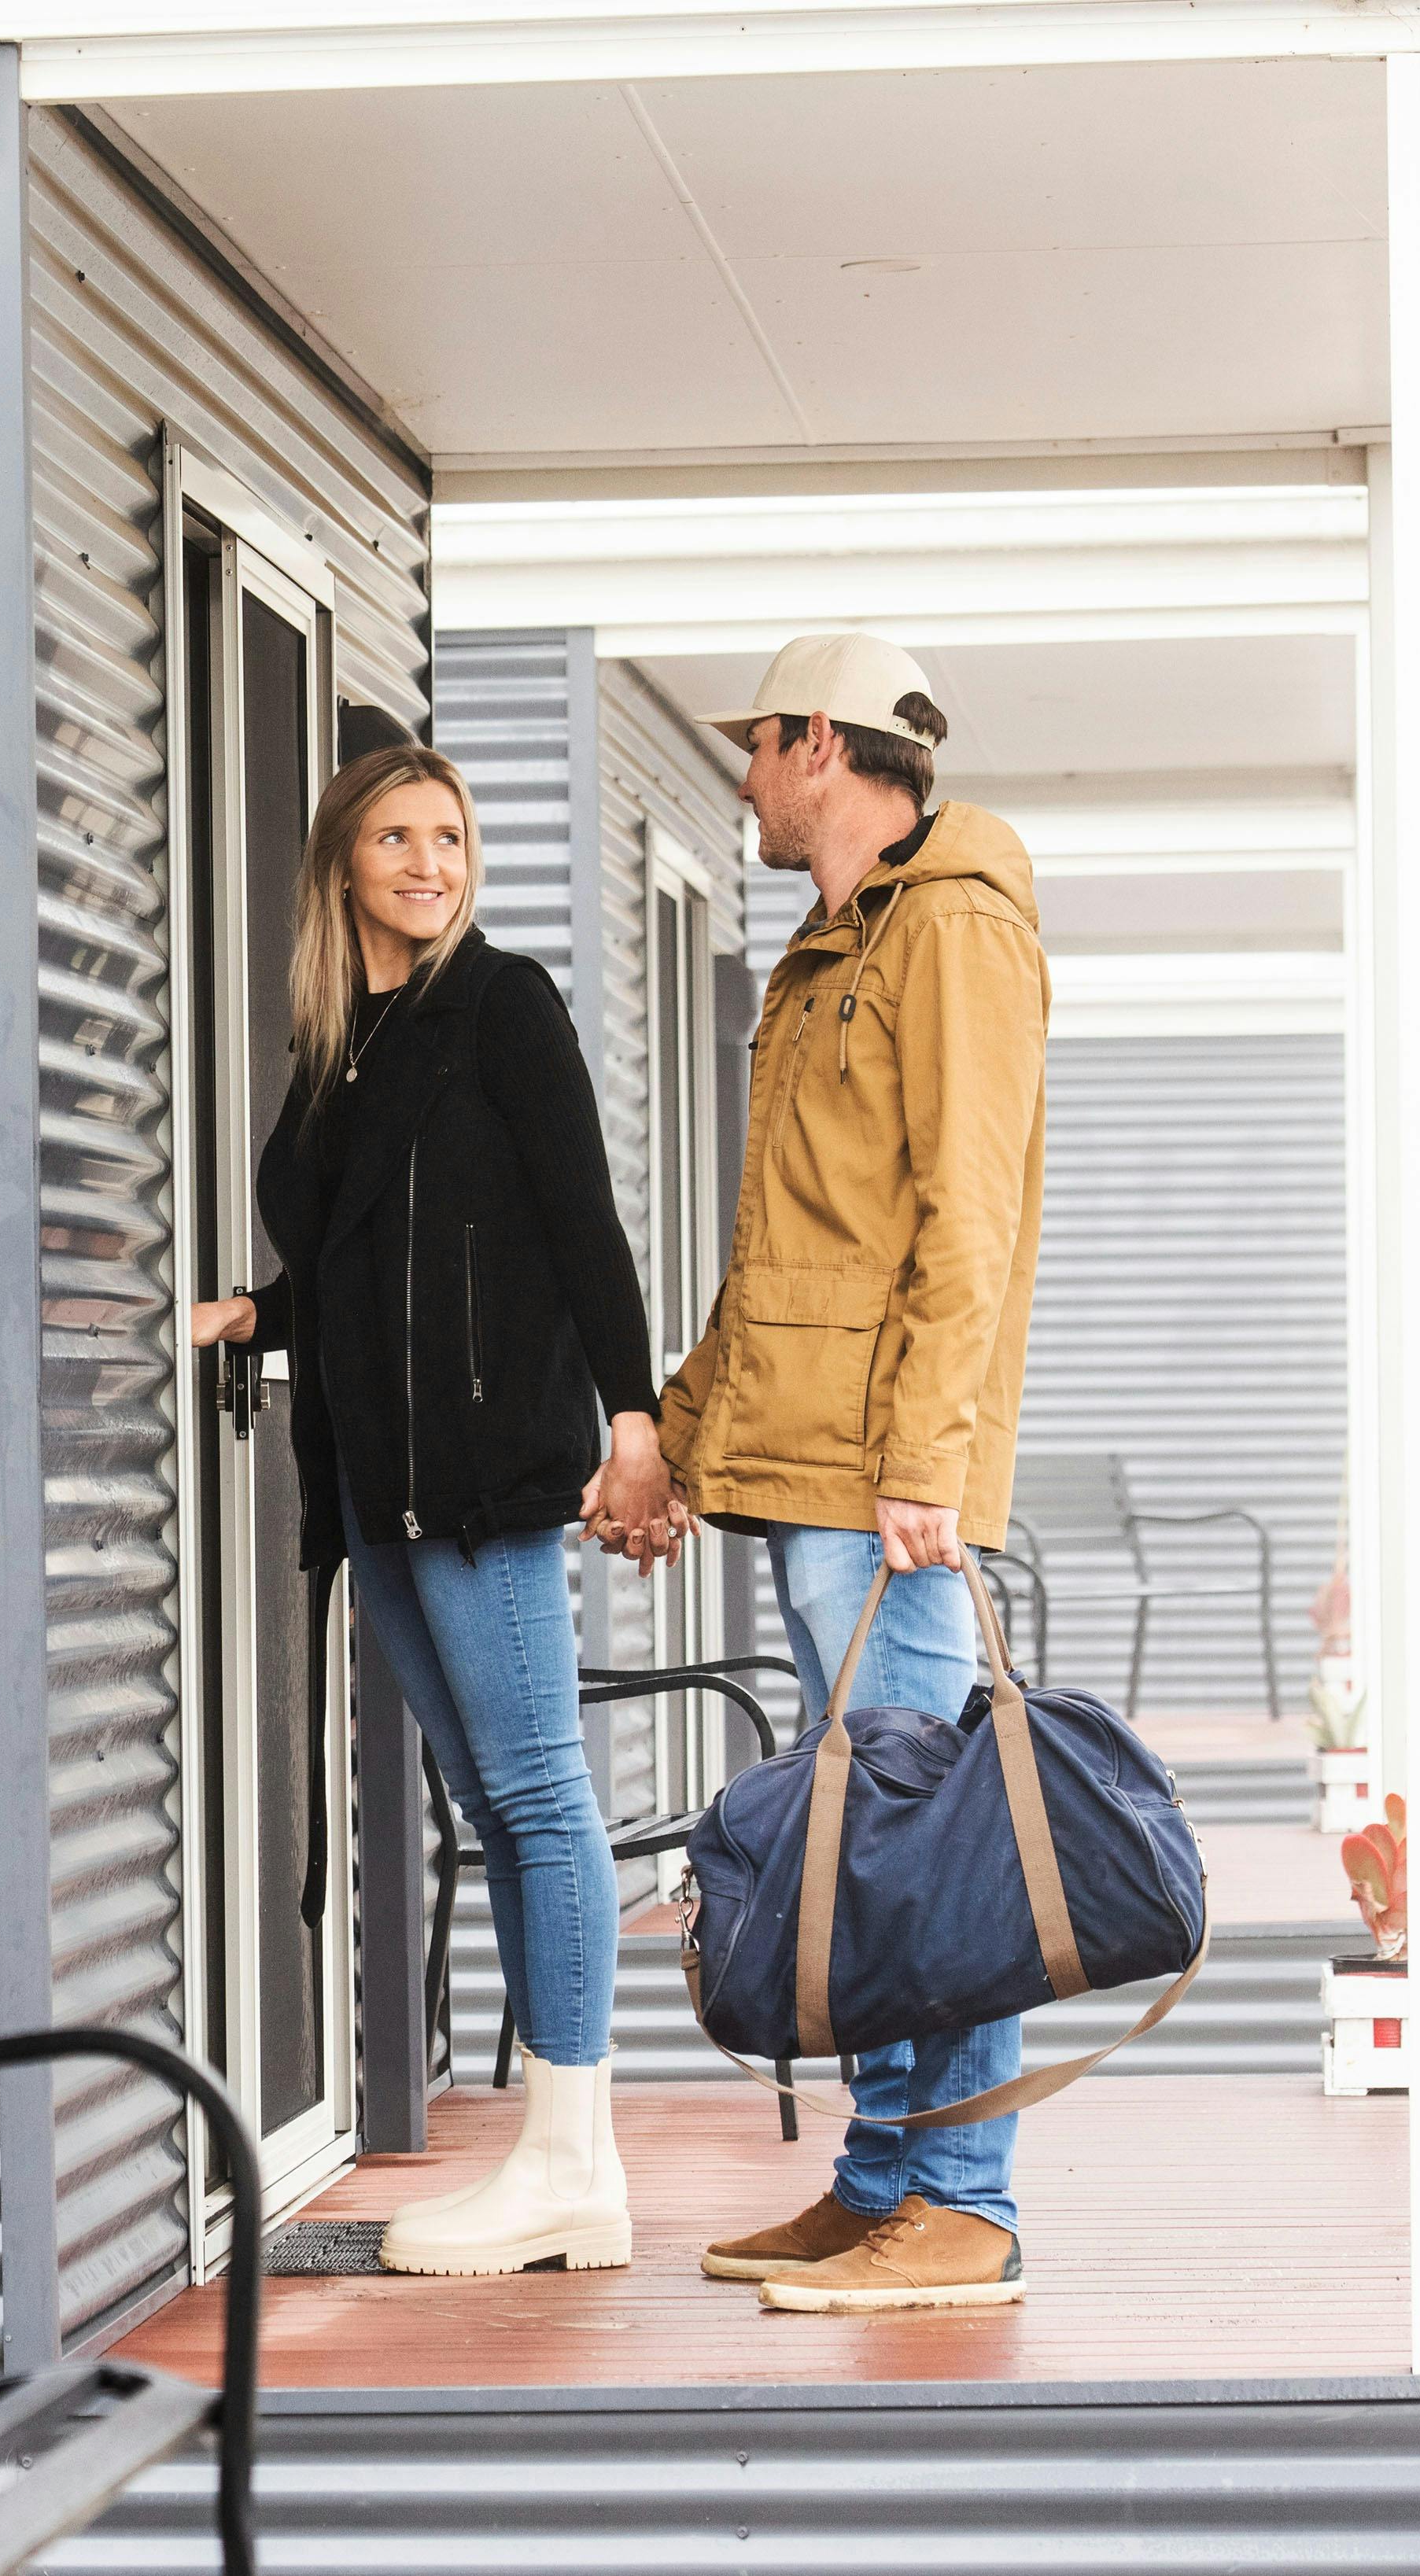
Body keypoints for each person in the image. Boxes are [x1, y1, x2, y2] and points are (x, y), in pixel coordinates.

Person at [185, 741, 671, 2278]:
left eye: (447, 839)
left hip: (482, 1481)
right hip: (376, 1493)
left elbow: (584, 1223)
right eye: (397, 839)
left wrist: (635, 1418)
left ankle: (573, 2160)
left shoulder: (500, 1010)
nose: (428, 865)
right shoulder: (342, 1041)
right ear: (345, 864)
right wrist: (242, 1322)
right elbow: (346, 1273)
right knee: (496, 1804)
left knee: (539, 1798)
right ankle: (554, 2156)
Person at [627, 632, 1053, 2315]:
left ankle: (964, 2201)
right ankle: (883, 2180)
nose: (740, 776)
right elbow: (786, 1250)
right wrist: (674, 1427)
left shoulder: (948, 926)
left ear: (819, 743)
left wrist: (930, 1459)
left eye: (755, 748)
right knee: (861, 1851)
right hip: (815, 1476)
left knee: (930, 1845)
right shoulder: (838, 940)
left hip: (886, 1487)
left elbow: (972, 1210)